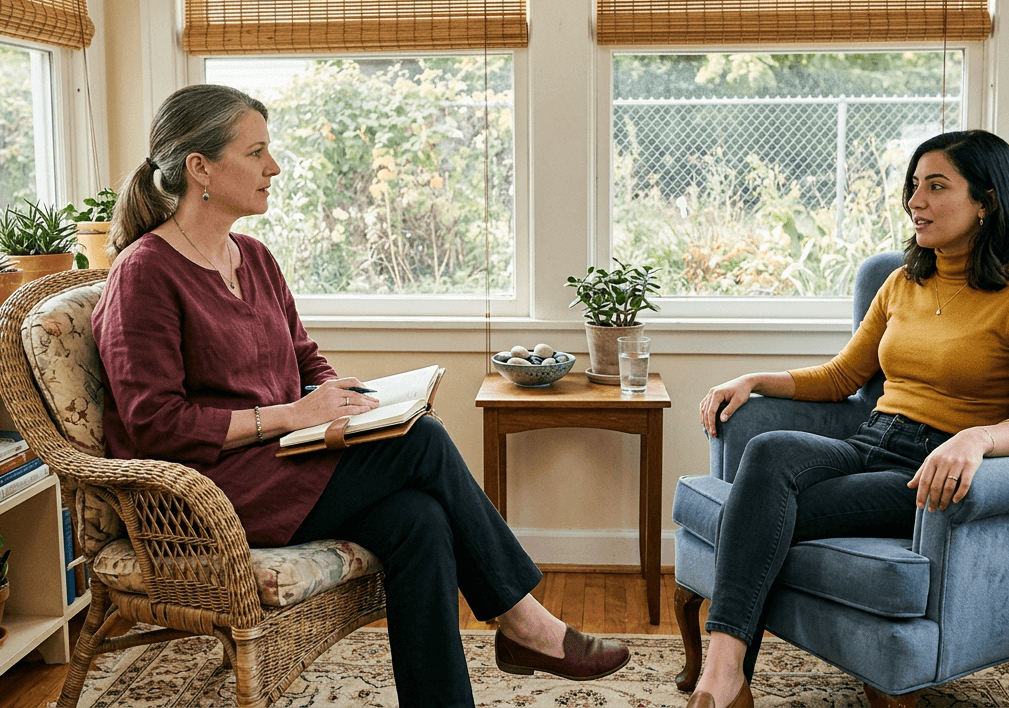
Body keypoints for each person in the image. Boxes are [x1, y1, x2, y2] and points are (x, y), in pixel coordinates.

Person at [92, 84, 630, 707]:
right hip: (200, 495)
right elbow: (156, 424)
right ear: (200, 168)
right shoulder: (145, 273)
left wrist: (344, 399)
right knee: (422, 440)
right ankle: (526, 624)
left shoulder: (253, 258)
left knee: (419, 520)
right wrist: (292, 415)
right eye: (256, 152)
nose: (274, 167)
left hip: (279, 466)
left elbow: (303, 358)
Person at [688, 130, 1009, 708]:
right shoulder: (903, 282)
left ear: (986, 201)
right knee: (768, 450)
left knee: (760, 513)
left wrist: (977, 439)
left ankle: (720, 682)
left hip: (924, 472)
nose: (915, 201)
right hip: (868, 441)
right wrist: (754, 380)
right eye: (914, 186)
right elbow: (843, 376)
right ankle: (727, 679)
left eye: (936, 186)